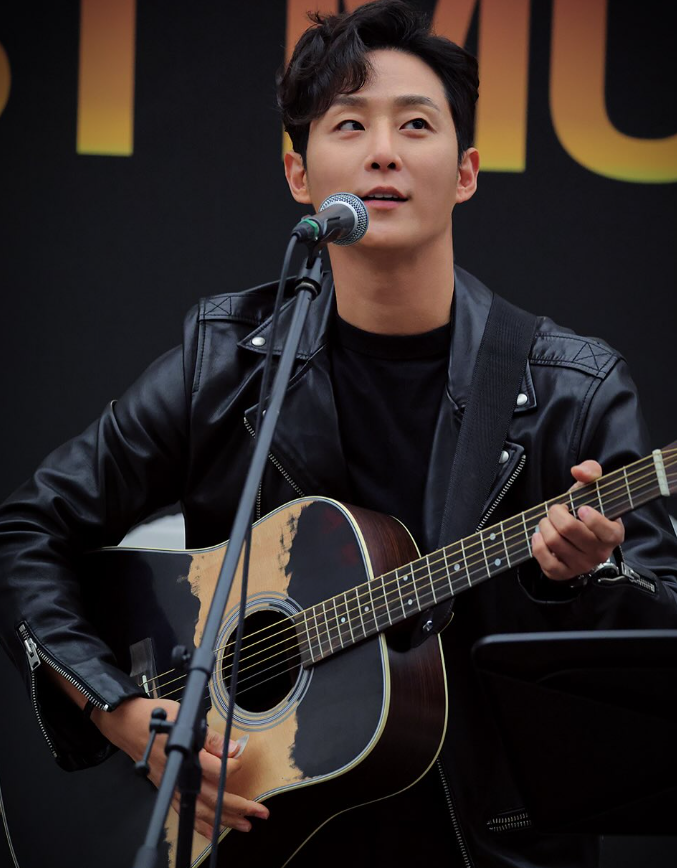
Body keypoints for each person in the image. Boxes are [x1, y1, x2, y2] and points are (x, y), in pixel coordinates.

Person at [1, 2, 676, 866]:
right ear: (299, 175)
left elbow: (657, 640)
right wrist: (120, 710)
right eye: (349, 124)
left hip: (484, 849)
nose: (383, 151)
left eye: (416, 124)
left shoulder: (571, 389)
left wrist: (591, 575)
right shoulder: (224, 360)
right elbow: (28, 528)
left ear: (465, 173)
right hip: (260, 839)